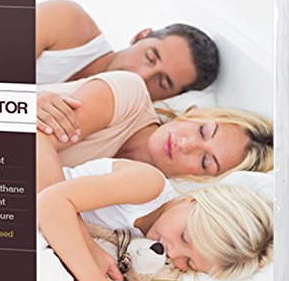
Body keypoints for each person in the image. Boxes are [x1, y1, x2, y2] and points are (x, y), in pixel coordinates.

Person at [38, 157, 273, 281]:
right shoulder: (149, 185)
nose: (173, 253)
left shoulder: (148, 251)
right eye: (184, 238)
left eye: (189, 262)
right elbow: (51, 201)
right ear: (191, 201)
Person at [36, 71, 273, 191]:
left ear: (203, 180)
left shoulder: (143, 194)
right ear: (196, 115)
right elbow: (36, 138)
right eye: (202, 131)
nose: (186, 144)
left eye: (205, 161)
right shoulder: (129, 93)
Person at [36, 0, 219, 102]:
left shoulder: (116, 127)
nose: (142, 76)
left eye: (162, 82)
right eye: (149, 58)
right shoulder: (67, 21)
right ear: (140, 36)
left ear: (167, 98)